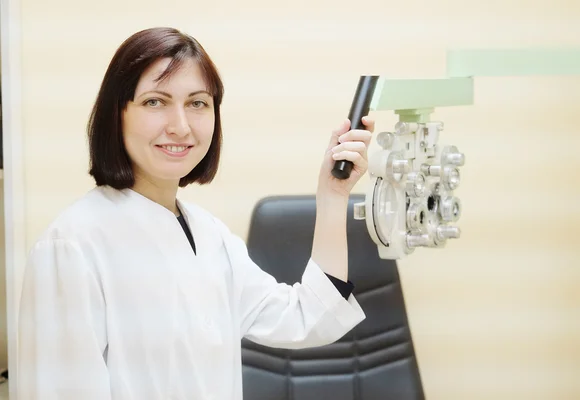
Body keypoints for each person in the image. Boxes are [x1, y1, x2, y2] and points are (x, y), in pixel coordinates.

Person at [17, 27, 375, 400]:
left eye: (197, 103)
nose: (181, 126)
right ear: (116, 114)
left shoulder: (210, 235)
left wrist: (333, 195)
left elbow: (309, 317)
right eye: (155, 102)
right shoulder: (72, 246)